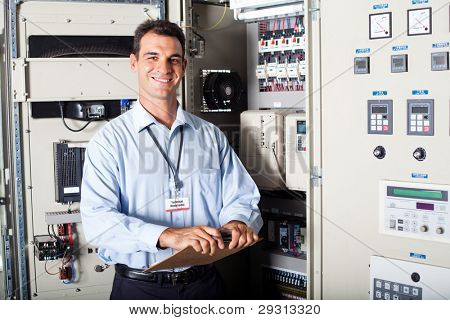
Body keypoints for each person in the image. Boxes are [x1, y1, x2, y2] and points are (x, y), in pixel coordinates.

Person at [80, 19, 263, 300]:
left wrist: (238, 221)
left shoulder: (209, 136)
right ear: (134, 63)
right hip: (139, 289)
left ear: (184, 67)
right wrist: (168, 235)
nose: (164, 68)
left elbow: (242, 196)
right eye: (152, 57)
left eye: (173, 59)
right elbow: (99, 223)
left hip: (205, 285)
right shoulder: (109, 141)